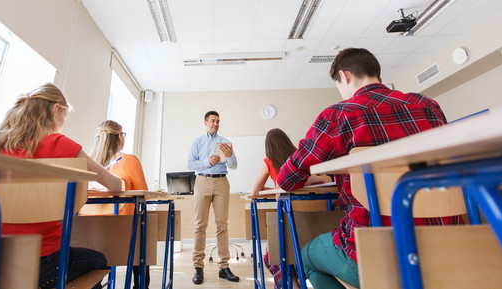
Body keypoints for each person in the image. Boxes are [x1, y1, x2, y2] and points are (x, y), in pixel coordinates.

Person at [277, 48, 463, 289]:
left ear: (344, 77)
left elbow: (287, 178)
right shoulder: (427, 105)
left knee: (305, 259)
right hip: (446, 244)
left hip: (375, 251)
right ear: (379, 76)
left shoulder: (338, 115)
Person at [0, 83, 123, 289]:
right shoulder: (59, 143)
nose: (63, 123)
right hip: (45, 263)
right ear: (55, 110)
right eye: (65, 116)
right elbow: (115, 185)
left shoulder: (1, 146)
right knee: (100, 261)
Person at [252, 128, 328, 289]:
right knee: (291, 251)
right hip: (316, 222)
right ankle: (296, 281)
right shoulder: (300, 157)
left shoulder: (269, 161)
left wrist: (277, 190)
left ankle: (292, 285)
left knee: (272, 255)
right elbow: (323, 179)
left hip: (288, 220)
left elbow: (255, 191)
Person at [82, 119, 150, 289]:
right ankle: (141, 286)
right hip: (122, 235)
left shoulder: (86, 165)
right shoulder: (129, 161)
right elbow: (144, 194)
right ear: (120, 137)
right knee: (143, 235)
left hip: (88, 235)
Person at [187, 110, 239, 284]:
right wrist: (207, 162)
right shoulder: (197, 142)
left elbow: (234, 166)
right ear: (205, 122)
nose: (216, 124)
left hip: (221, 182)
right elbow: (190, 163)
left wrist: (230, 155)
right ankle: (198, 267)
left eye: (218, 121)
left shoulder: (225, 142)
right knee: (199, 225)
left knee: (222, 225)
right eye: (213, 121)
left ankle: (224, 267)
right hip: (202, 181)